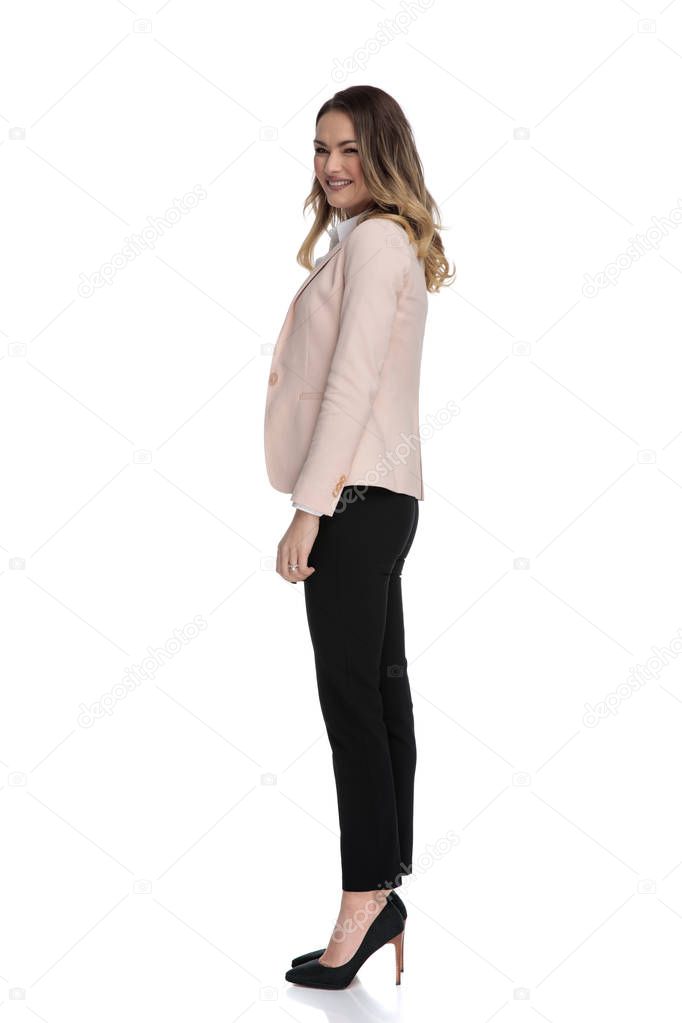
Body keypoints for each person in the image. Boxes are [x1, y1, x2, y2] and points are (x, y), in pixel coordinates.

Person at [263, 84, 455, 989]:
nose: (330, 166)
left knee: (354, 704)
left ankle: (365, 900)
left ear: (380, 155)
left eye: (346, 149)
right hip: (382, 492)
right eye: (318, 149)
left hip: (356, 495)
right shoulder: (377, 244)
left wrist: (310, 505)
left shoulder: (375, 242)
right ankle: (383, 888)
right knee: (379, 696)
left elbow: (346, 384)